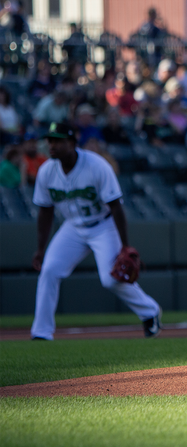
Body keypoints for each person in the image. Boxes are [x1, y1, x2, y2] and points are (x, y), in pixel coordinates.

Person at [30, 123, 162, 340]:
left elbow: (116, 207)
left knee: (110, 279)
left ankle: (150, 311)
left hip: (103, 225)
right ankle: (41, 332)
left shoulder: (97, 166)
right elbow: (45, 212)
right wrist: (40, 248)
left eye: (57, 140)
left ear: (72, 143)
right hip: (73, 227)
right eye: (50, 140)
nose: (51, 145)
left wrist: (125, 244)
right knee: (49, 270)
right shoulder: (47, 171)